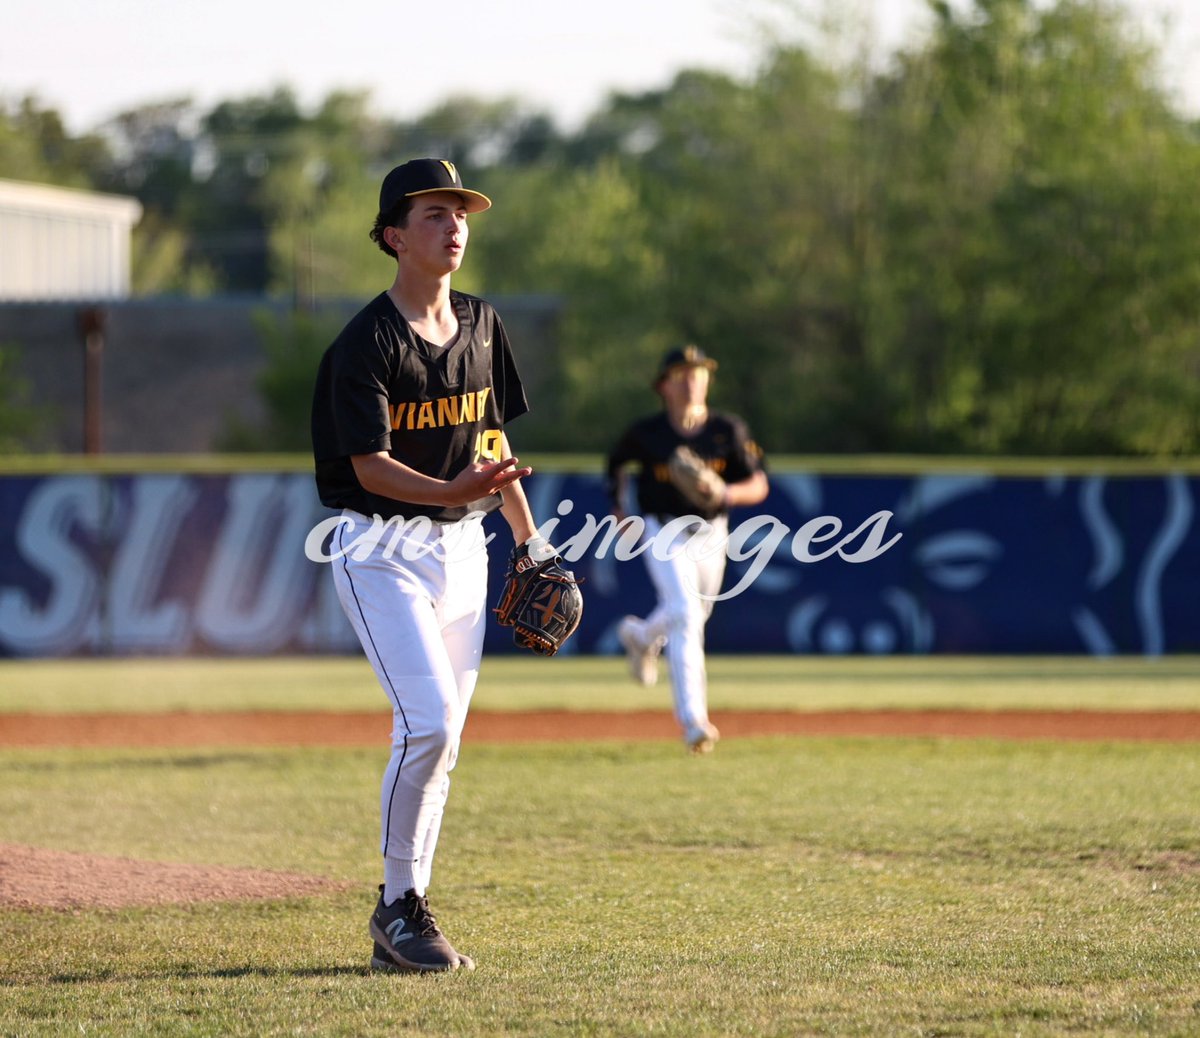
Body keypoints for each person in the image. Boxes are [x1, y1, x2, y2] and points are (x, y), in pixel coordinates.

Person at [311, 158, 544, 972]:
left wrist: (530, 540)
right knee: (429, 724)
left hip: (464, 550)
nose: (455, 226)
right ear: (393, 237)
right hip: (380, 551)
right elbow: (369, 466)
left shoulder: (482, 324)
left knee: (444, 741)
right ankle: (397, 907)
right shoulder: (366, 342)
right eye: (435, 213)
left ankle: (404, 919)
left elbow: (495, 444)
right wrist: (450, 487)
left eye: (461, 212)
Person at [605, 345, 769, 754]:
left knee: (694, 613)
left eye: (699, 372)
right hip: (662, 529)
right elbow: (616, 465)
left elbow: (759, 484)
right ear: (663, 385)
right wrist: (621, 508)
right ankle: (693, 721)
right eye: (681, 373)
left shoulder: (726, 431)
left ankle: (642, 635)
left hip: (712, 531)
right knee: (686, 614)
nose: (692, 380)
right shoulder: (647, 433)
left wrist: (724, 490)